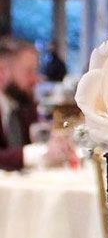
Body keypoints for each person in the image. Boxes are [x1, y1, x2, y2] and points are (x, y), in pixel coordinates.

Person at [0, 37, 74, 170]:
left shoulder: (24, 102)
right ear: (2, 71)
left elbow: (40, 137)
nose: (36, 79)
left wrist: (54, 144)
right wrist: (34, 154)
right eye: (29, 71)